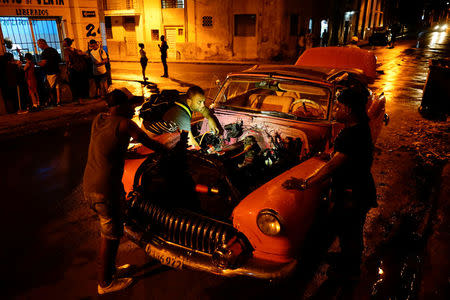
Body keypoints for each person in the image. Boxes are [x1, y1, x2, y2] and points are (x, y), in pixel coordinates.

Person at [283, 86, 376, 279]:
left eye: (338, 107)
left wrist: (305, 183)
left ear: (349, 110)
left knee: (350, 231)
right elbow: (343, 157)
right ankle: (347, 259)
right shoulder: (358, 128)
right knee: (348, 230)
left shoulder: (352, 134)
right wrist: (329, 155)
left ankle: (350, 271)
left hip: (353, 193)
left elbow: (332, 167)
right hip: (357, 189)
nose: (335, 110)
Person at [83, 87, 167, 294]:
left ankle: (111, 271)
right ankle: (105, 283)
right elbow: (146, 141)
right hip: (105, 190)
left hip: (91, 185)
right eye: (131, 104)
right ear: (120, 107)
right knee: (110, 235)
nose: (134, 108)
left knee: (112, 232)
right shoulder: (124, 124)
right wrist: (168, 149)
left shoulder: (99, 119)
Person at [146, 86, 221, 148]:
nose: (203, 105)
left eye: (203, 101)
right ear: (189, 101)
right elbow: (191, 142)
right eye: (199, 102)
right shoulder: (182, 115)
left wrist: (210, 119)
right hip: (151, 133)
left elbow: (204, 109)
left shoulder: (186, 98)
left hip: (166, 126)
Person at [63, 37, 89, 104]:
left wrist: (66, 69)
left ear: (67, 43)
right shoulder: (76, 50)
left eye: (64, 42)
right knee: (79, 84)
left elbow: (67, 61)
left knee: (74, 85)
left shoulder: (66, 51)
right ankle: (81, 99)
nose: (63, 43)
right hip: (80, 69)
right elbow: (85, 55)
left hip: (73, 69)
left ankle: (78, 99)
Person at [37, 38, 61, 106]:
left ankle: (52, 102)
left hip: (50, 72)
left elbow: (43, 63)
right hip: (57, 71)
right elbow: (59, 60)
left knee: (49, 88)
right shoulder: (54, 50)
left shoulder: (45, 52)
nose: (39, 46)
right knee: (57, 87)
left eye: (39, 44)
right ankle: (58, 101)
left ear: (42, 43)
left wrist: (36, 63)